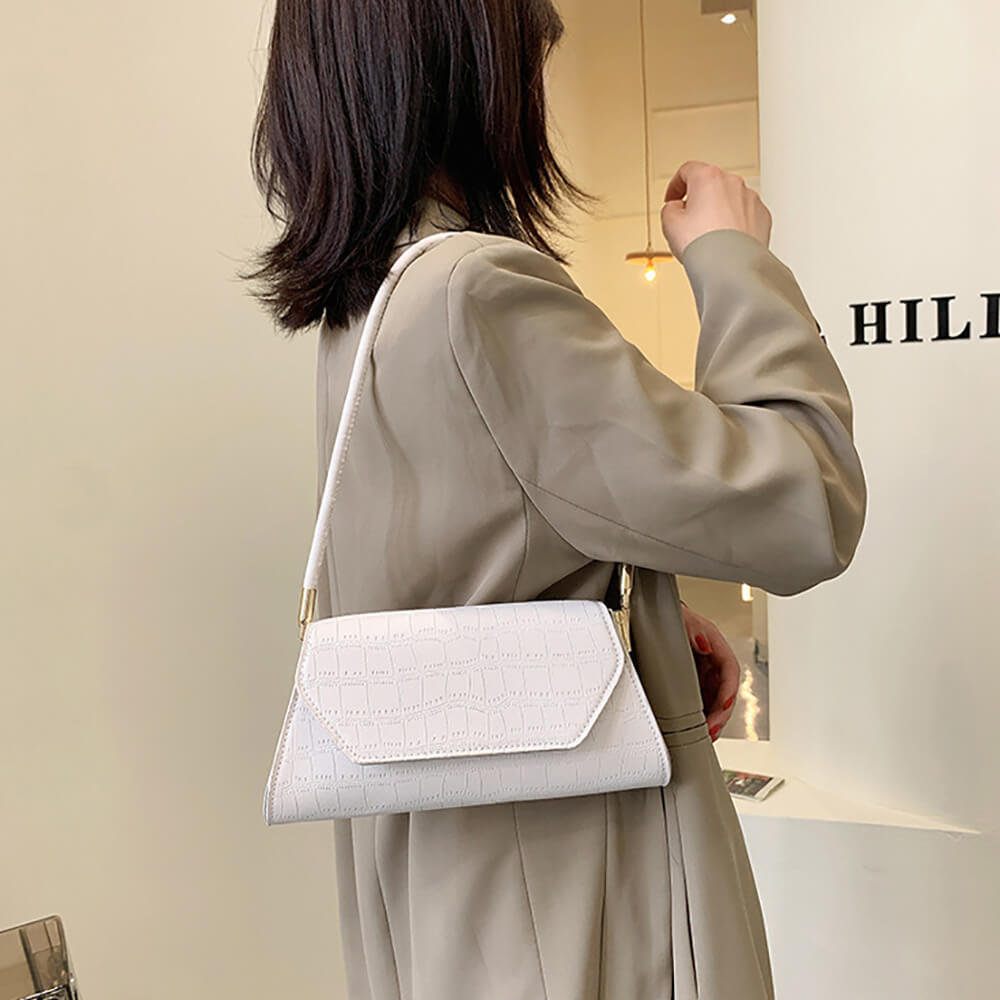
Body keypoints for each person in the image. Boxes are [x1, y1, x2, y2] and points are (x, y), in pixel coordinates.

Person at [241, 1, 867, 997]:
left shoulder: (372, 300)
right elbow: (806, 503)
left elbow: (463, 562)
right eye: (527, 55)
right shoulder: (477, 290)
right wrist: (736, 260)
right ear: (464, 69)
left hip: (459, 891)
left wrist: (642, 621)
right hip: (571, 904)